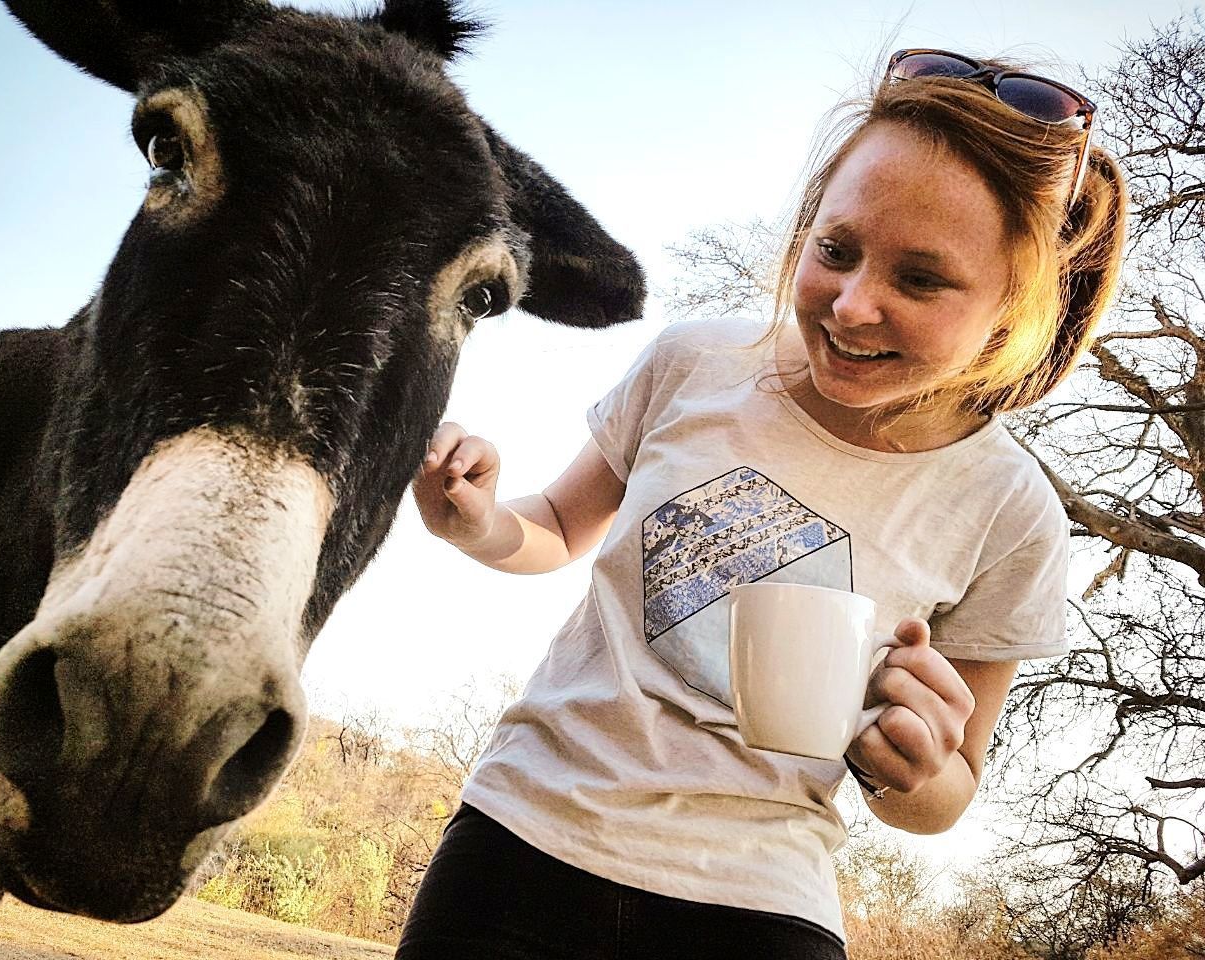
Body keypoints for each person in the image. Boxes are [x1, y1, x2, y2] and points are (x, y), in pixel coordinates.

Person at [398, 48, 1128, 960]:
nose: (854, 306)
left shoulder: (1011, 511)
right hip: (524, 837)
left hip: (759, 900)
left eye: (921, 279)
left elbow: (946, 796)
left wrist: (916, 764)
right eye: (837, 251)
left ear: (1015, 309)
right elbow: (552, 530)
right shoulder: (696, 362)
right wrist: (474, 521)